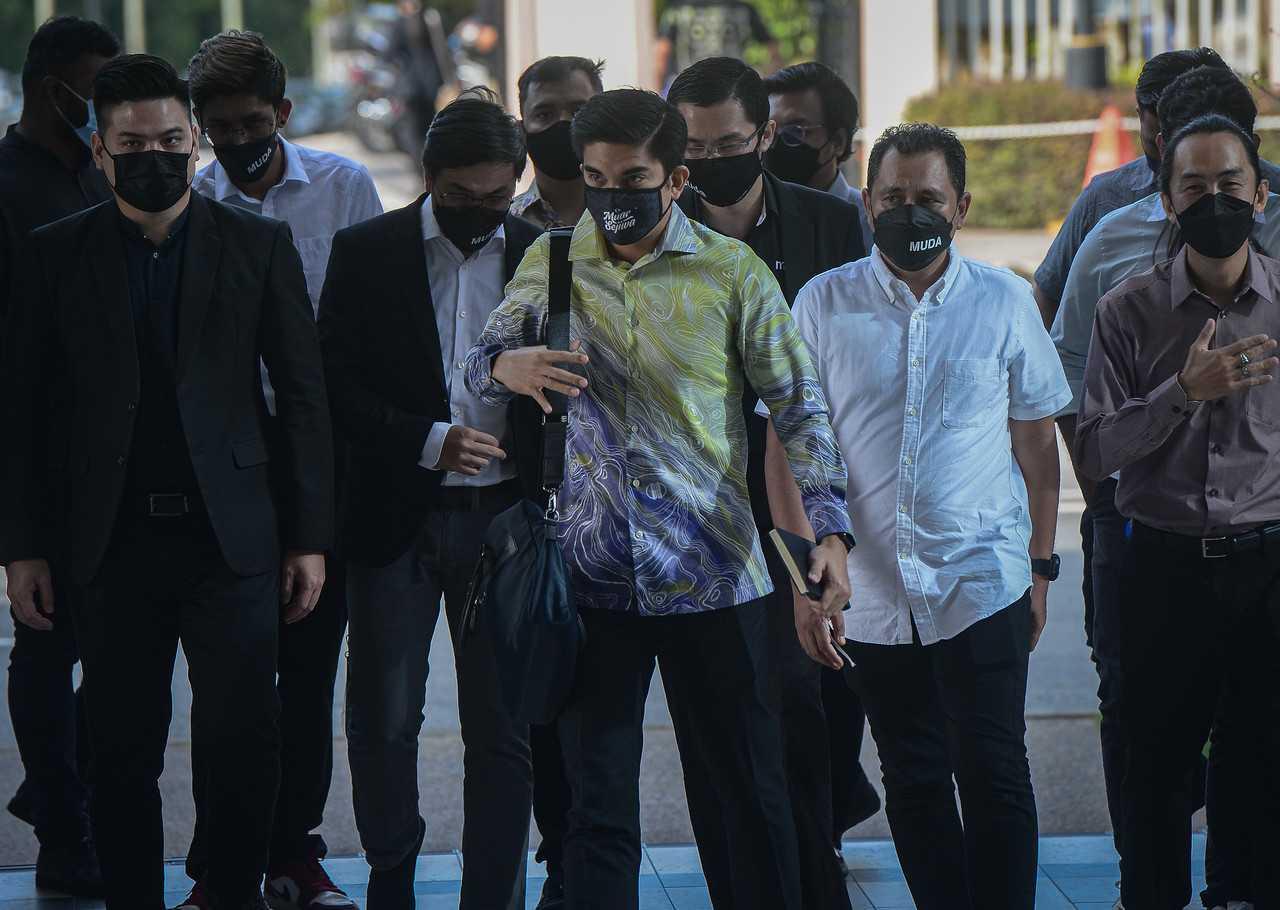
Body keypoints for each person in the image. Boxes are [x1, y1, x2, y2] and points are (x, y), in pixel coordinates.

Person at [463, 87, 855, 910]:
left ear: (676, 178)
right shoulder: (556, 258)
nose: (612, 196)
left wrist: (830, 533)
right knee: (596, 812)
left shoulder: (731, 272)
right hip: (593, 579)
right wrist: (509, 368)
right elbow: (475, 360)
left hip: (715, 577)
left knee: (747, 800)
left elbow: (800, 408)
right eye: (596, 177)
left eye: (632, 177)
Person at [0, 54, 333, 910]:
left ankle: (228, 894)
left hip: (234, 540)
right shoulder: (54, 254)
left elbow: (301, 397)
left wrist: (308, 537)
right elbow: (23, 413)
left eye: (172, 140)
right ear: (101, 151)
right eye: (133, 143)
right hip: (109, 543)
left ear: (193, 142)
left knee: (241, 741)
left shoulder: (257, 245)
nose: (156, 156)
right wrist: (23, 549)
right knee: (119, 749)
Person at [764, 123, 1070, 910]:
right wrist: (805, 577)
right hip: (868, 594)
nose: (910, 211)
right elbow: (788, 446)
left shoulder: (1005, 301)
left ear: (961, 206)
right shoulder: (822, 304)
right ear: (867, 203)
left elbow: (1037, 448)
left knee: (996, 771)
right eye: (894, 197)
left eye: (928, 198)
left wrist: (1040, 568)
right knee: (914, 773)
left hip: (984, 580)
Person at [1051, 66, 1280, 904]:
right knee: (1151, 772)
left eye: (1230, 182)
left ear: (1259, 196)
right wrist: (1185, 392)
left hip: (1266, 566)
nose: (1213, 197)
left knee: (1258, 769)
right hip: (1158, 568)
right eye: (1194, 185)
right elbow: (1097, 449)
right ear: (1168, 195)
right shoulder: (1127, 309)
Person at [317, 91, 543, 910]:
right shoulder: (368, 251)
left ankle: (494, 895)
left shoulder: (543, 255)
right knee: (383, 719)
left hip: (505, 522)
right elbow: (333, 384)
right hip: (394, 518)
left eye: (495, 198)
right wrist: (428, 438)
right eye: (459, 197)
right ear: (428, 176)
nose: (477, 215)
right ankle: (392, 878)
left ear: (517, 183)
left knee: (502, 731)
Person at [182, 30, 382, 910]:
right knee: (225, 676)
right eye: (219, 126)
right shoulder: (190, 197)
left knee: (307, 669)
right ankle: (217, 862)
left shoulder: (343, 189)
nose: (237, 140)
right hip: (226, 454)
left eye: (252, 122)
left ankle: (294, 849)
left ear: (284, 115)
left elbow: (375, 324)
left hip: (320, 450)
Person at [665, 55, 870, 910]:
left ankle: (814, 885)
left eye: (732, 143)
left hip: (803, 505)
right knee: (718, 735)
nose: (714, 161)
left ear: (761, 137)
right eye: (695, 147)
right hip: (694, 518)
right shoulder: (656, 230)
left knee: (803, 717)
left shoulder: (831, 225)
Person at [0, 14, 118, 897]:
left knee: (122, 644)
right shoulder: (5, 184)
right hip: (37, 456)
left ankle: (55, 794)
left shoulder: (101, 176)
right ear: (53, 89)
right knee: (45, 643)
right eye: (93, 91)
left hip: (115, 454)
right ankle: (63, 831)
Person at [507, 52, 605, 910]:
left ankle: (594, 866)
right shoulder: (507, 233)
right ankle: (562, 864)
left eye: (577, 111)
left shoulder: (642, 226)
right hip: (535, 501)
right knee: (548, 699)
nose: (559, 127)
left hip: (639, 507)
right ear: (521, 120)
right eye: (544, 113)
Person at [1034, 47, 1231, 329]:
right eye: (1155, 145)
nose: (1172, 168)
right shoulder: (1104, 201)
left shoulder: (1275, 198)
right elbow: (1047, 297)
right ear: (1140, 116)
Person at [762, 61, 873, 251]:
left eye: (795, 131)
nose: (775, 143)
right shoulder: (750, 221)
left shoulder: (870, 226)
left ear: (837, 142)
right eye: (769, 131)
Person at [511, 56, 604, 230]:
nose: (563, 124)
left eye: (578, 111)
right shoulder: (503, 226)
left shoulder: (632, 215)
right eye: (544, 114)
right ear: (522, 131)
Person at [654, 0, 780, 90]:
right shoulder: (743, 9)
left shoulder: (676, 9)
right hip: (733, 86)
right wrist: (769, 83)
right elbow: (772, 47)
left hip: (688, 86)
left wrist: (658, 89)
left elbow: (662, 51)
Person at [389, 0, 448, 150]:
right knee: (414, 126)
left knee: (430, 123)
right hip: (410, 85)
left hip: (429, 82)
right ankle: (419, 162)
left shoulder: (428, 18)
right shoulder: (399, 23)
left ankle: (430, 160)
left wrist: (446, 79)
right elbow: (392, 53)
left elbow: (440, 50)